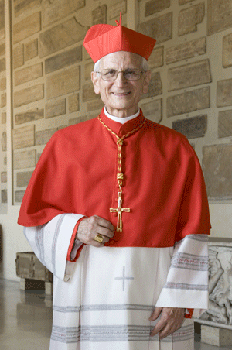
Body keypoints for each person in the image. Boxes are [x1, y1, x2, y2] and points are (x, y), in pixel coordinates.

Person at [18, 14, 210, 350]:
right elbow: (34, 220)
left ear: (145, 81)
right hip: (85, 289)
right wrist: (75, 229)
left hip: (155, 291)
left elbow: (193, 229)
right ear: (95, 81)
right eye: (110, 72)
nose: (120, 81)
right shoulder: (64, 145)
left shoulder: (177, 148)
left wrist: (180, 298)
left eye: (130, 72)